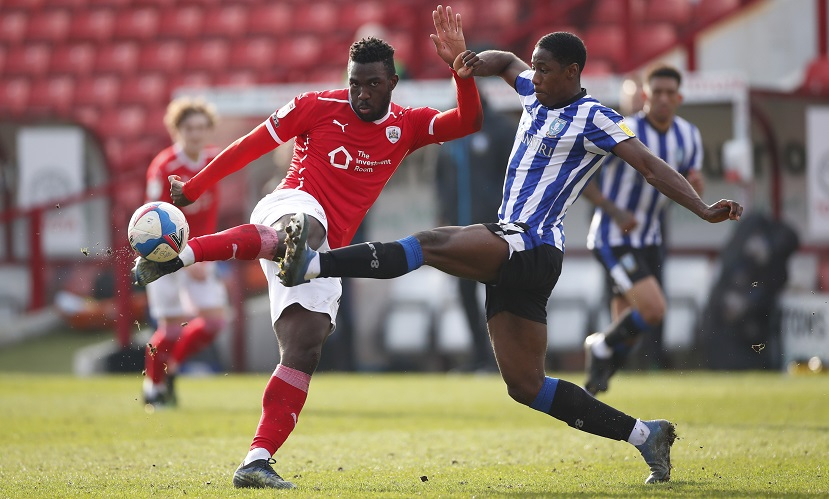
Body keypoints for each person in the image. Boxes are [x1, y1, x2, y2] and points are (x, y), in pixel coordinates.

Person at [278, 32, 743, 484]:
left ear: (572, 72)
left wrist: (702, 208)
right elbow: (504, 62)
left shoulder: (594, 118)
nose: (533, 76)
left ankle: (312, 264)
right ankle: (646, 435)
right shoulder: (534, 94)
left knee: (429, 244)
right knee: (526, 386)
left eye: (544, 69)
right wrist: (469, 62)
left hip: (532, 242)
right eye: (534, 67)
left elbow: (650, 167)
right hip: (519, 249)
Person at [132, 5, 483, 489]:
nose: (362, 93)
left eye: (373, 84)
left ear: (392, 83)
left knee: (305, 346)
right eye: (355, 83)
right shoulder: (315, 105)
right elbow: (250, 146)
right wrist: (194, 186)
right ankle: (182, 255)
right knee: (304, 227)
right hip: (290, 204)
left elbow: (468, 121)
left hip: (324, 250)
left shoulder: (408, 126)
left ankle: (256, 460)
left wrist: (461, 71)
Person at [581, 65, 705, 395]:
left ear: (678, 98)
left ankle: (593, 386)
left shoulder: (689, 135)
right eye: (657, 92)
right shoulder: (623, 129)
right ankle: (599, 346)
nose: (663, 99)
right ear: (645, 95)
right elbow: (583, 179)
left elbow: (688, 182)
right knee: (653, 310)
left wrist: (696, 186)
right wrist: (615, 211)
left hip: (649, 238)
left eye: (670, 93)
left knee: (628, 331)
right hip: (613, 237)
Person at [141, 97, 228, 408]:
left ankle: (171, 368)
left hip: (198, 252)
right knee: (170, 328)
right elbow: (153, 220)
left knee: (214, 323)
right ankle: (153, 387)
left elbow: (211, 213)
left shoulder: (213, 160)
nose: (196, 134)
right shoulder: (164, 166)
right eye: (190, 128)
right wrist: (184, 257)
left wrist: (202, 253)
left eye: (202, 128)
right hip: (162, 255)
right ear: (177, 130)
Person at [434, 95, 513, 371]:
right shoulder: (451, 131)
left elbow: (514, 177)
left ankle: (508, 359)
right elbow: (441, 179)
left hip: (494, 233)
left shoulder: (501, 129)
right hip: (458, 233)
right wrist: (444, 214)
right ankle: (480, 357)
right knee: (465, 294)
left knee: (501, 296)